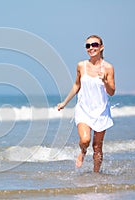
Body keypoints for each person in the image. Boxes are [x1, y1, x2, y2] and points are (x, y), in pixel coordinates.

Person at [57, 35, 115, 173]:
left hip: (101, 111)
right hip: (83, 109)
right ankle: (82, 151)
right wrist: (64, 102)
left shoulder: (108, 68)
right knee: (85, 140)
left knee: (97, 147)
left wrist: (105, 81)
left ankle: (96, 175)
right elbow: (77, 85)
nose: (91, 48)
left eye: (94, 45)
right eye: (88, 46)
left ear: (101, 47)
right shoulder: (81, 66)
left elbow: (111, 92)